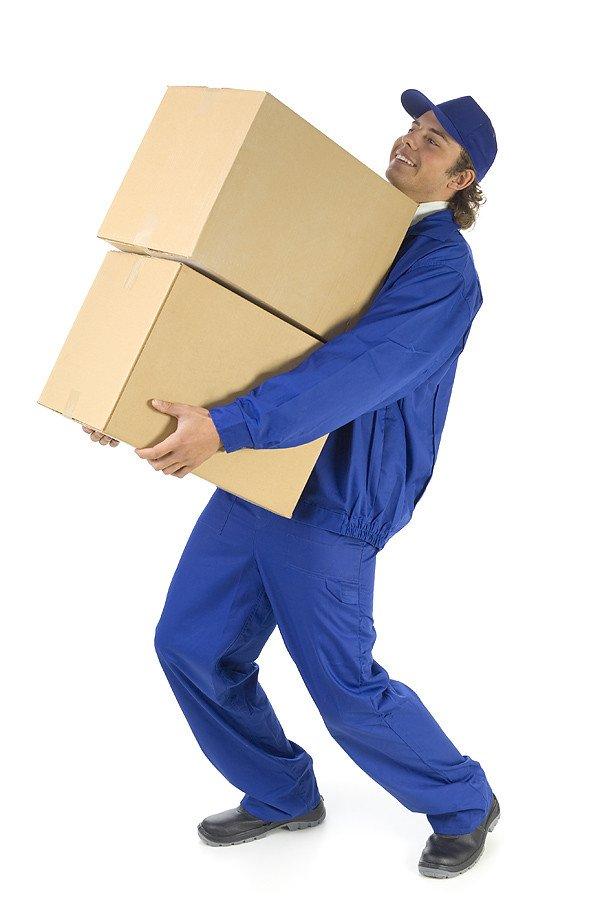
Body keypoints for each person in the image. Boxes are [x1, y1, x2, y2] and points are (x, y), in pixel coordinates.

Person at [83, 89, 500, 878]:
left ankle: (464, 801)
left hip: (335, 497)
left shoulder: (442, 270)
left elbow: (356, 371)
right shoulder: (354, 235)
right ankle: (281, 792)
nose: (410, 141)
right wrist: (133, 398)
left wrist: (229, 427)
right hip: (266, 475)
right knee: (192, 644)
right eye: (412, 126)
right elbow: (246, 322)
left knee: (343, 685)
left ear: (460, 180)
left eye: (435, 140)